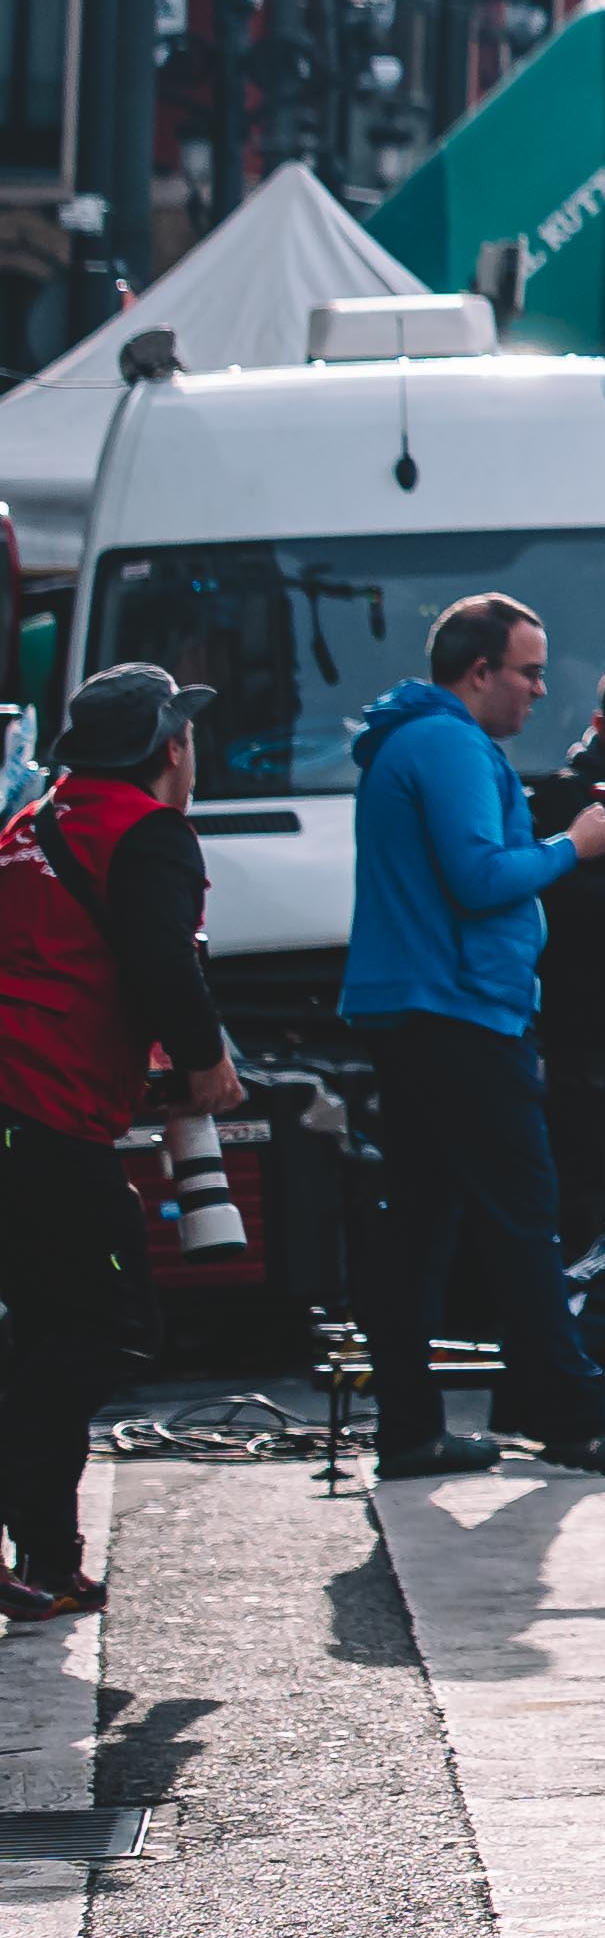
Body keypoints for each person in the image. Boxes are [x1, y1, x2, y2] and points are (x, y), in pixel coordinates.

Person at [351, 597, 605, 1484]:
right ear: (478, 672)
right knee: (521, 1215)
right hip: (458, 1012)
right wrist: (573, 846)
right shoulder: (452, 743)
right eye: (529, 671)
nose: (542, 689)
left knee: (421, 1222)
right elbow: (479, 877)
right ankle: (574, 1416)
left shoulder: (416, 741)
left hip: (425, 1006)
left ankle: (412, 1427)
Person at [0, 667, 228, 1612]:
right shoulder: (148, 834)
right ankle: (37, 1532)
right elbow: (159, 959)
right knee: (109, 1328)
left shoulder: (24, 829)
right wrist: (206, 1061)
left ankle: (48, 1560)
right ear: (169, 747)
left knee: (45, 1331)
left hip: (25, 1115)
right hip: (43, 1119)